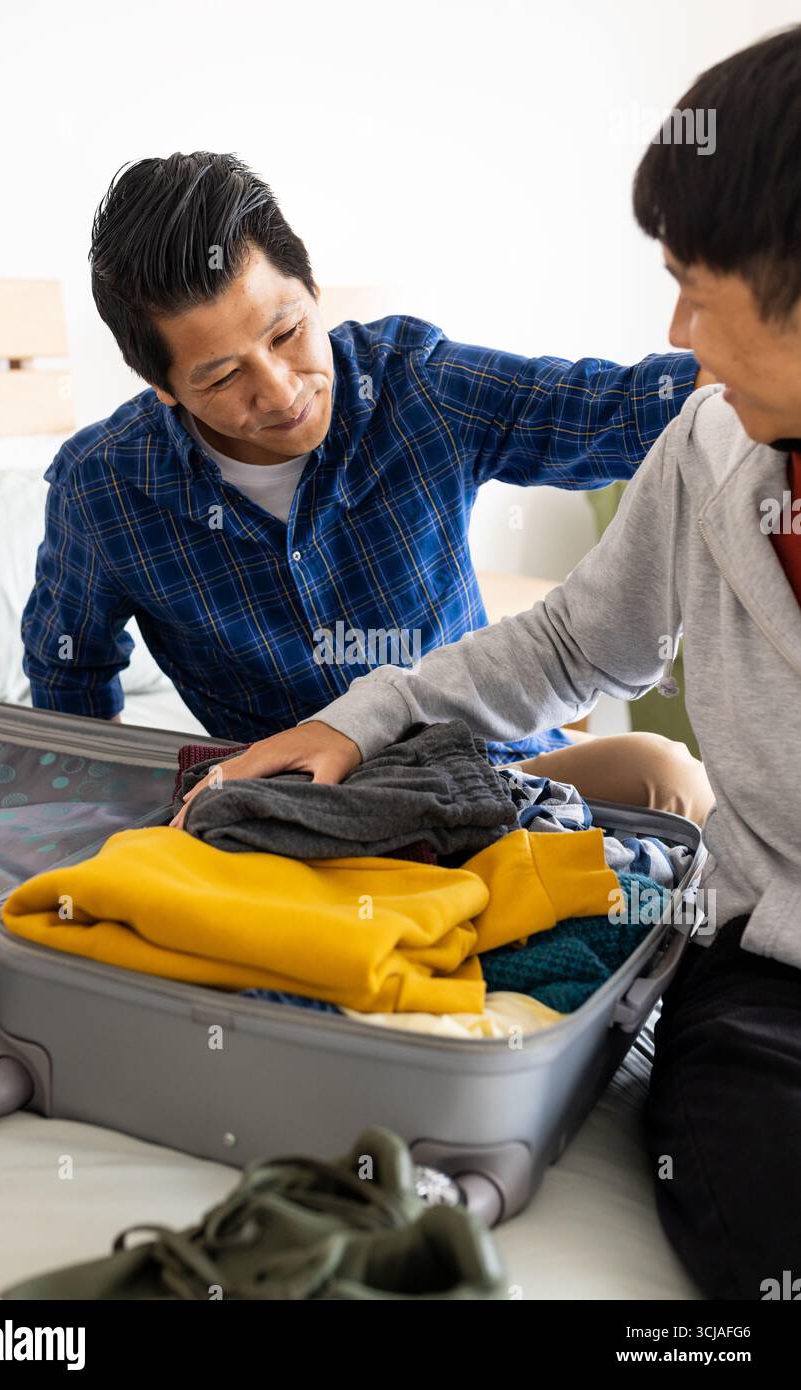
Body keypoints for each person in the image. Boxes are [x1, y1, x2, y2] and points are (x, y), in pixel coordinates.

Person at [178, 27, 801, 1299]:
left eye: (698, 284)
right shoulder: (710, 441)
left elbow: (576, 406)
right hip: (767, 974)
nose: (677, 329)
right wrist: (362, 719)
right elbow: (577, 640)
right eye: (217, 373)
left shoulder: (424, 382)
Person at [21, 151, 713, 819]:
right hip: (295, 816)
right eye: (224, 378)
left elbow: (615, 411)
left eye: (288, 332)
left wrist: (760, 356)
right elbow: (68, 681)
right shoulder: (101, 486)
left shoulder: (415, 384)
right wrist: (91, 831)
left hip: (492, 776)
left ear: (313, 291)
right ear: (163, 388)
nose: (281, 390)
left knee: (666, 776)